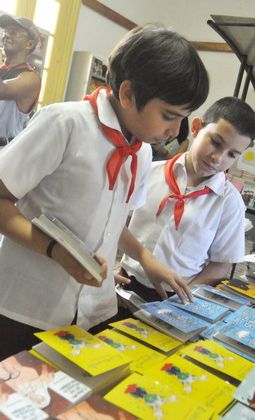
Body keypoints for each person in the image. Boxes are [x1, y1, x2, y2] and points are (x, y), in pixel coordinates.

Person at [0, 23, 209, 360]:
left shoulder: (140, 152)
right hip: (25, 306)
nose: (174, 131)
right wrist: (54, 250)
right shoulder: (65, 123)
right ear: (127, 94)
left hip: (92, 310)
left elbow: (114, 222)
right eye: (169, 115)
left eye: (182, 118)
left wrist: (145, 258)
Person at [118, 97, 255, 302]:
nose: (218, 158)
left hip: (175, 298)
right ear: (196, 127)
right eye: (216, 142)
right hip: (124, 281)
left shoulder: (229, 203)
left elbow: (221, 264)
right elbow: (117, 223)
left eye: (232, 154)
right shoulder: (148, 171)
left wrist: (181, 301)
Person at [0, 13, 41, 147]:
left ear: (29, 44)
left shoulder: (31, 78)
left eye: (13, 32)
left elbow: (2, 90)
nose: (6, 35)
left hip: (4, 152)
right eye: (5, 31)